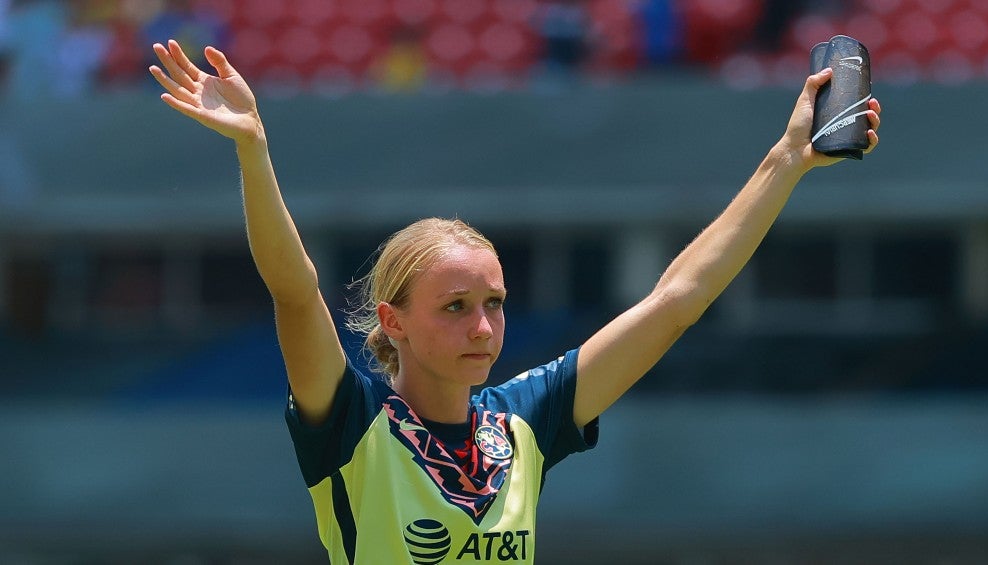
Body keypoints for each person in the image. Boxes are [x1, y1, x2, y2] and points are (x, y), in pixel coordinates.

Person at [149, 39, 880, 564]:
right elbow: (294, 289)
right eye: (455, 306)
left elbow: (676, 300)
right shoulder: (351, 426)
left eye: (494, 303)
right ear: (393, 322)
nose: (484, 326)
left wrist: (786, 161)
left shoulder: (524, 420)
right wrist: (253, 150)